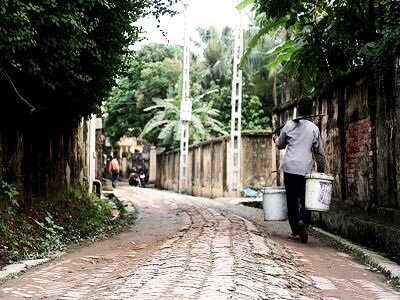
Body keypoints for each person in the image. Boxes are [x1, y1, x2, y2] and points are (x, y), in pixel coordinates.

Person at [272, 96, 325, 243]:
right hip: (305, 170)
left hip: (289, 168)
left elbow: (281, 144)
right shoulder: (314, 129)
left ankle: (296, 231)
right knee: (306, 200)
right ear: (311, 110)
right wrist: (321, 171)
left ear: (298, 110)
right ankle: (303, 222)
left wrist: (275, 140)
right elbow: (319, 153)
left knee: (291, 200)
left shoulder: (289, 125)